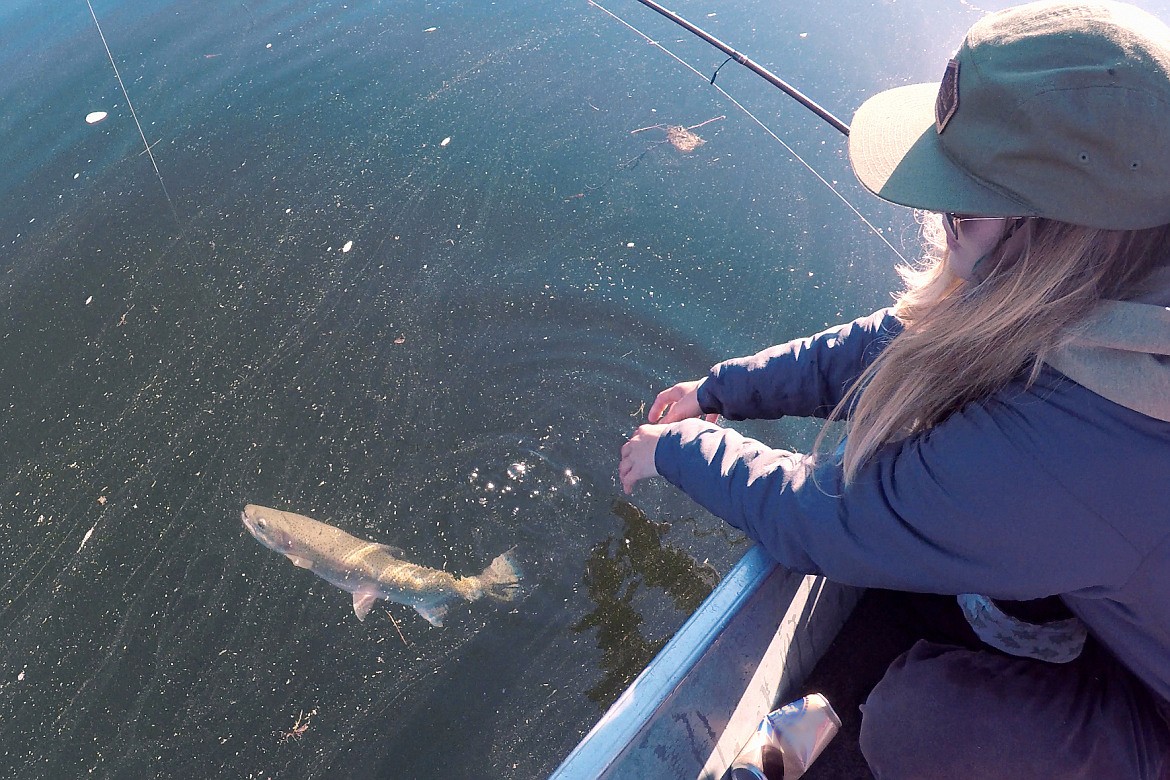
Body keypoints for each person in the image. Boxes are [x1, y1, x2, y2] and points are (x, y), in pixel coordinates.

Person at [618, 1, 1170, 777]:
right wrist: (725, 388)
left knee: (920, 719)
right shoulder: (1126, 257)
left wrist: (680, 450)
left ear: (1059, 235)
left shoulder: (1083, 444)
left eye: (958, 209)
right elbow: (914, 340)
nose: (937, 223)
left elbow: (831, 520)